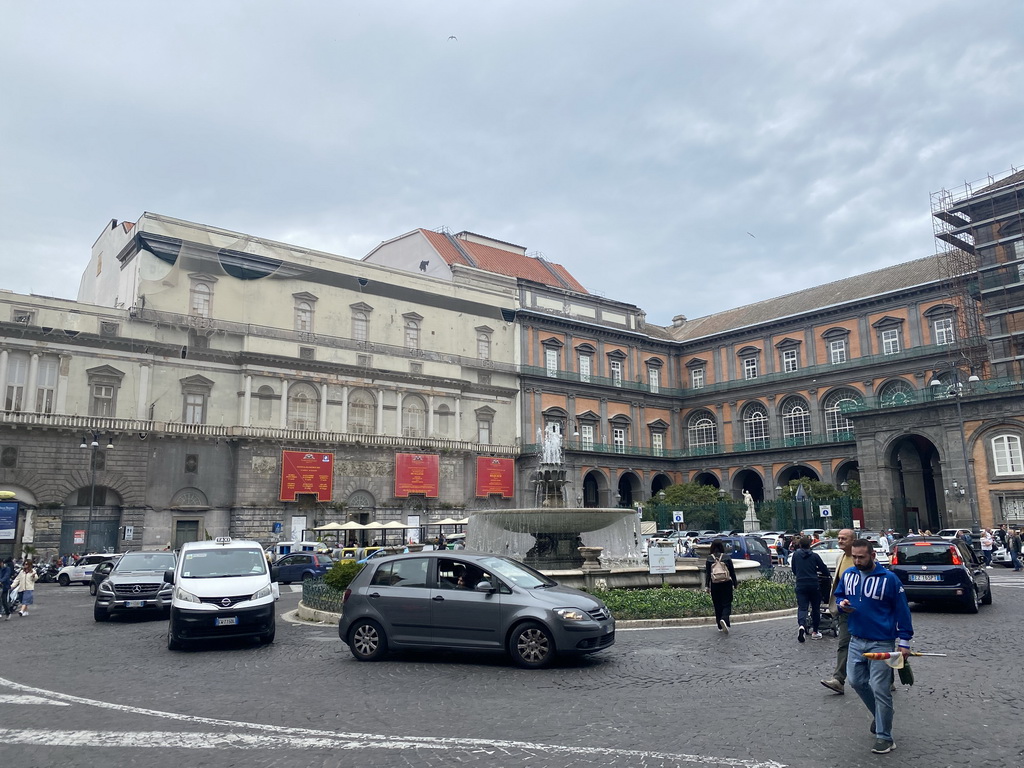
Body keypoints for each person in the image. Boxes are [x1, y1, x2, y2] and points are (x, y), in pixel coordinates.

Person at [835, 539, 914, 755]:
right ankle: (880, 716)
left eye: (862, 557)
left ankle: (884, 737)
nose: (857, 561)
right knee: (856, 681)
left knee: (880, 688)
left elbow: (902, 610)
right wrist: (842, 605)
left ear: (872, 555)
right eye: (855, 557)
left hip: (882, 641)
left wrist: (904, 642)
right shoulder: (849, 574)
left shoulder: (889, 579)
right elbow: (840, 594)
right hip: (856, 639)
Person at [821, 528, 856, 694]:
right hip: (845, 610)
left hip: (865, 611)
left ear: (853, 540)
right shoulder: (840, 558)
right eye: (839, 538)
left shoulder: (861, 559)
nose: (840, 541)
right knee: (843, 644)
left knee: (874, 645)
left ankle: (887, 678)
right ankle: (838, 680)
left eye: (844, 538)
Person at [790, 536, 830, 642]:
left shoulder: (796, 555)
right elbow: (823, 568)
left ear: (799, 545)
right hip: (813, 584)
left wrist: (799, 575)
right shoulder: (815, 556)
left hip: (801, 584)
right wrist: (826, 574)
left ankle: (802, 626)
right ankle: (815, 632)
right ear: (810, 545)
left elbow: (793, 569)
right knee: (815, 608)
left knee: (802, 607)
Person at [704, 539, 737, 634]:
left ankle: (719, 625)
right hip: (726, 583)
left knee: (717, 604)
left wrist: (707, 586)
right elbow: (732, 572)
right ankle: (724, 618)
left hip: (715, 584)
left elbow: (708, 574)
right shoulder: (726, 557)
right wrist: (735, 583)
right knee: (727, 603)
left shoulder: (709, 558)